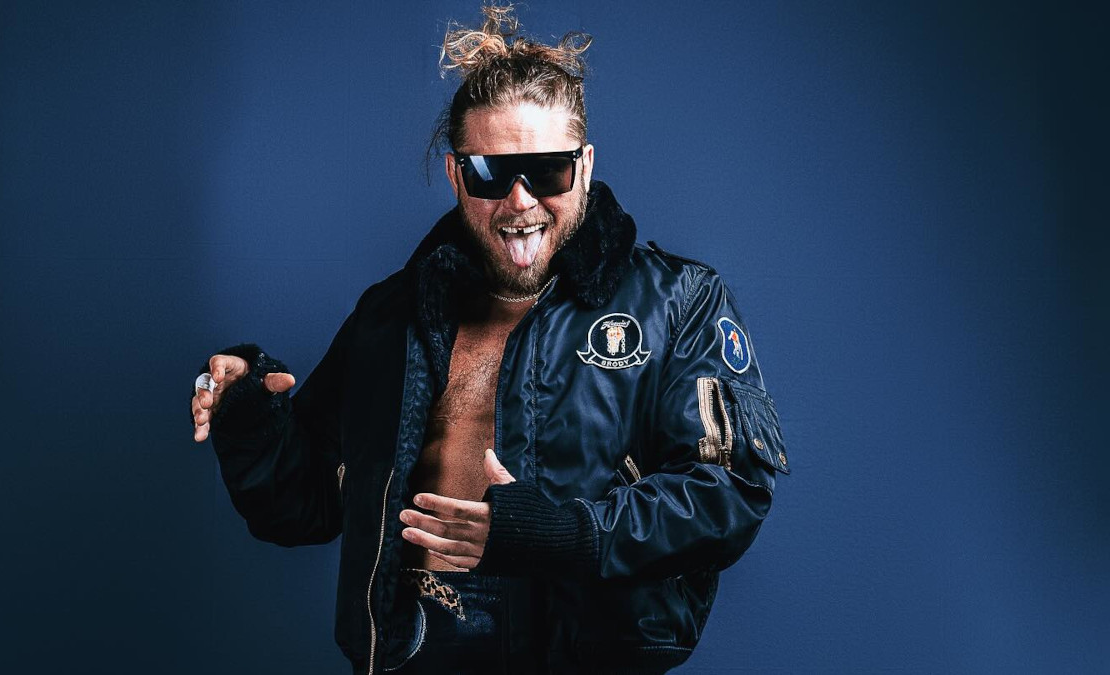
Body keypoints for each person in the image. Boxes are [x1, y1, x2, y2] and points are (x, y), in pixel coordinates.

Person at [188, 5, 788, 674]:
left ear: (586, 166)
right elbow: (304, 507)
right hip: (413, 655)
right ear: (455, 175)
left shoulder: (678, 301)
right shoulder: (392, 316)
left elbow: (728, 492)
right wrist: (250, 419)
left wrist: (563, 533)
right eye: (490, 172)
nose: (520, 200)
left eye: (548, 170)